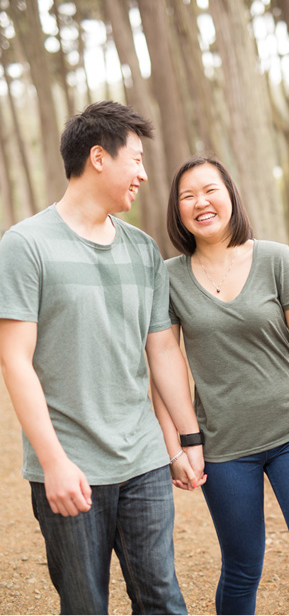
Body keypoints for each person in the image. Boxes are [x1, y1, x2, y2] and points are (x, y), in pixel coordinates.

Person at [0, 101, 205, 615]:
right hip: (70, 466)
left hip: (145, 461)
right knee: (85, 605)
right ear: (98, 157)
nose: (142, 173)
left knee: (162, 598)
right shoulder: (25, 245)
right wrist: (53, 463)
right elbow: (15, 360)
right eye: (135, 159)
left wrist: (186, 438)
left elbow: (162, 353)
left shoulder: (142, 250)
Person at [150, 155, 289, 615]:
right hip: (224, 448)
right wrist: (176, 447)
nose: (201, 202)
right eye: (187, 196)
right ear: (177, 211)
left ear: (230, 194)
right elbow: (165, 365)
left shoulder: (275, 258)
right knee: (242, 566)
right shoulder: (168, 277)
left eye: (210, 189)